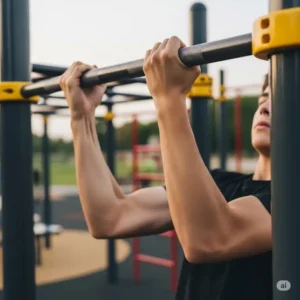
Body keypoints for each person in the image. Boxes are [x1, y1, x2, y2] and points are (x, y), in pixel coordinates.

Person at [59, 36, 272, 300]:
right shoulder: (219, 184)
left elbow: (208, 239)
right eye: (264, 96)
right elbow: (110, 216)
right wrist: (82, 118)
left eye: (283, 98)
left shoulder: (290, 203)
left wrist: (169, 97)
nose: (265, 107)